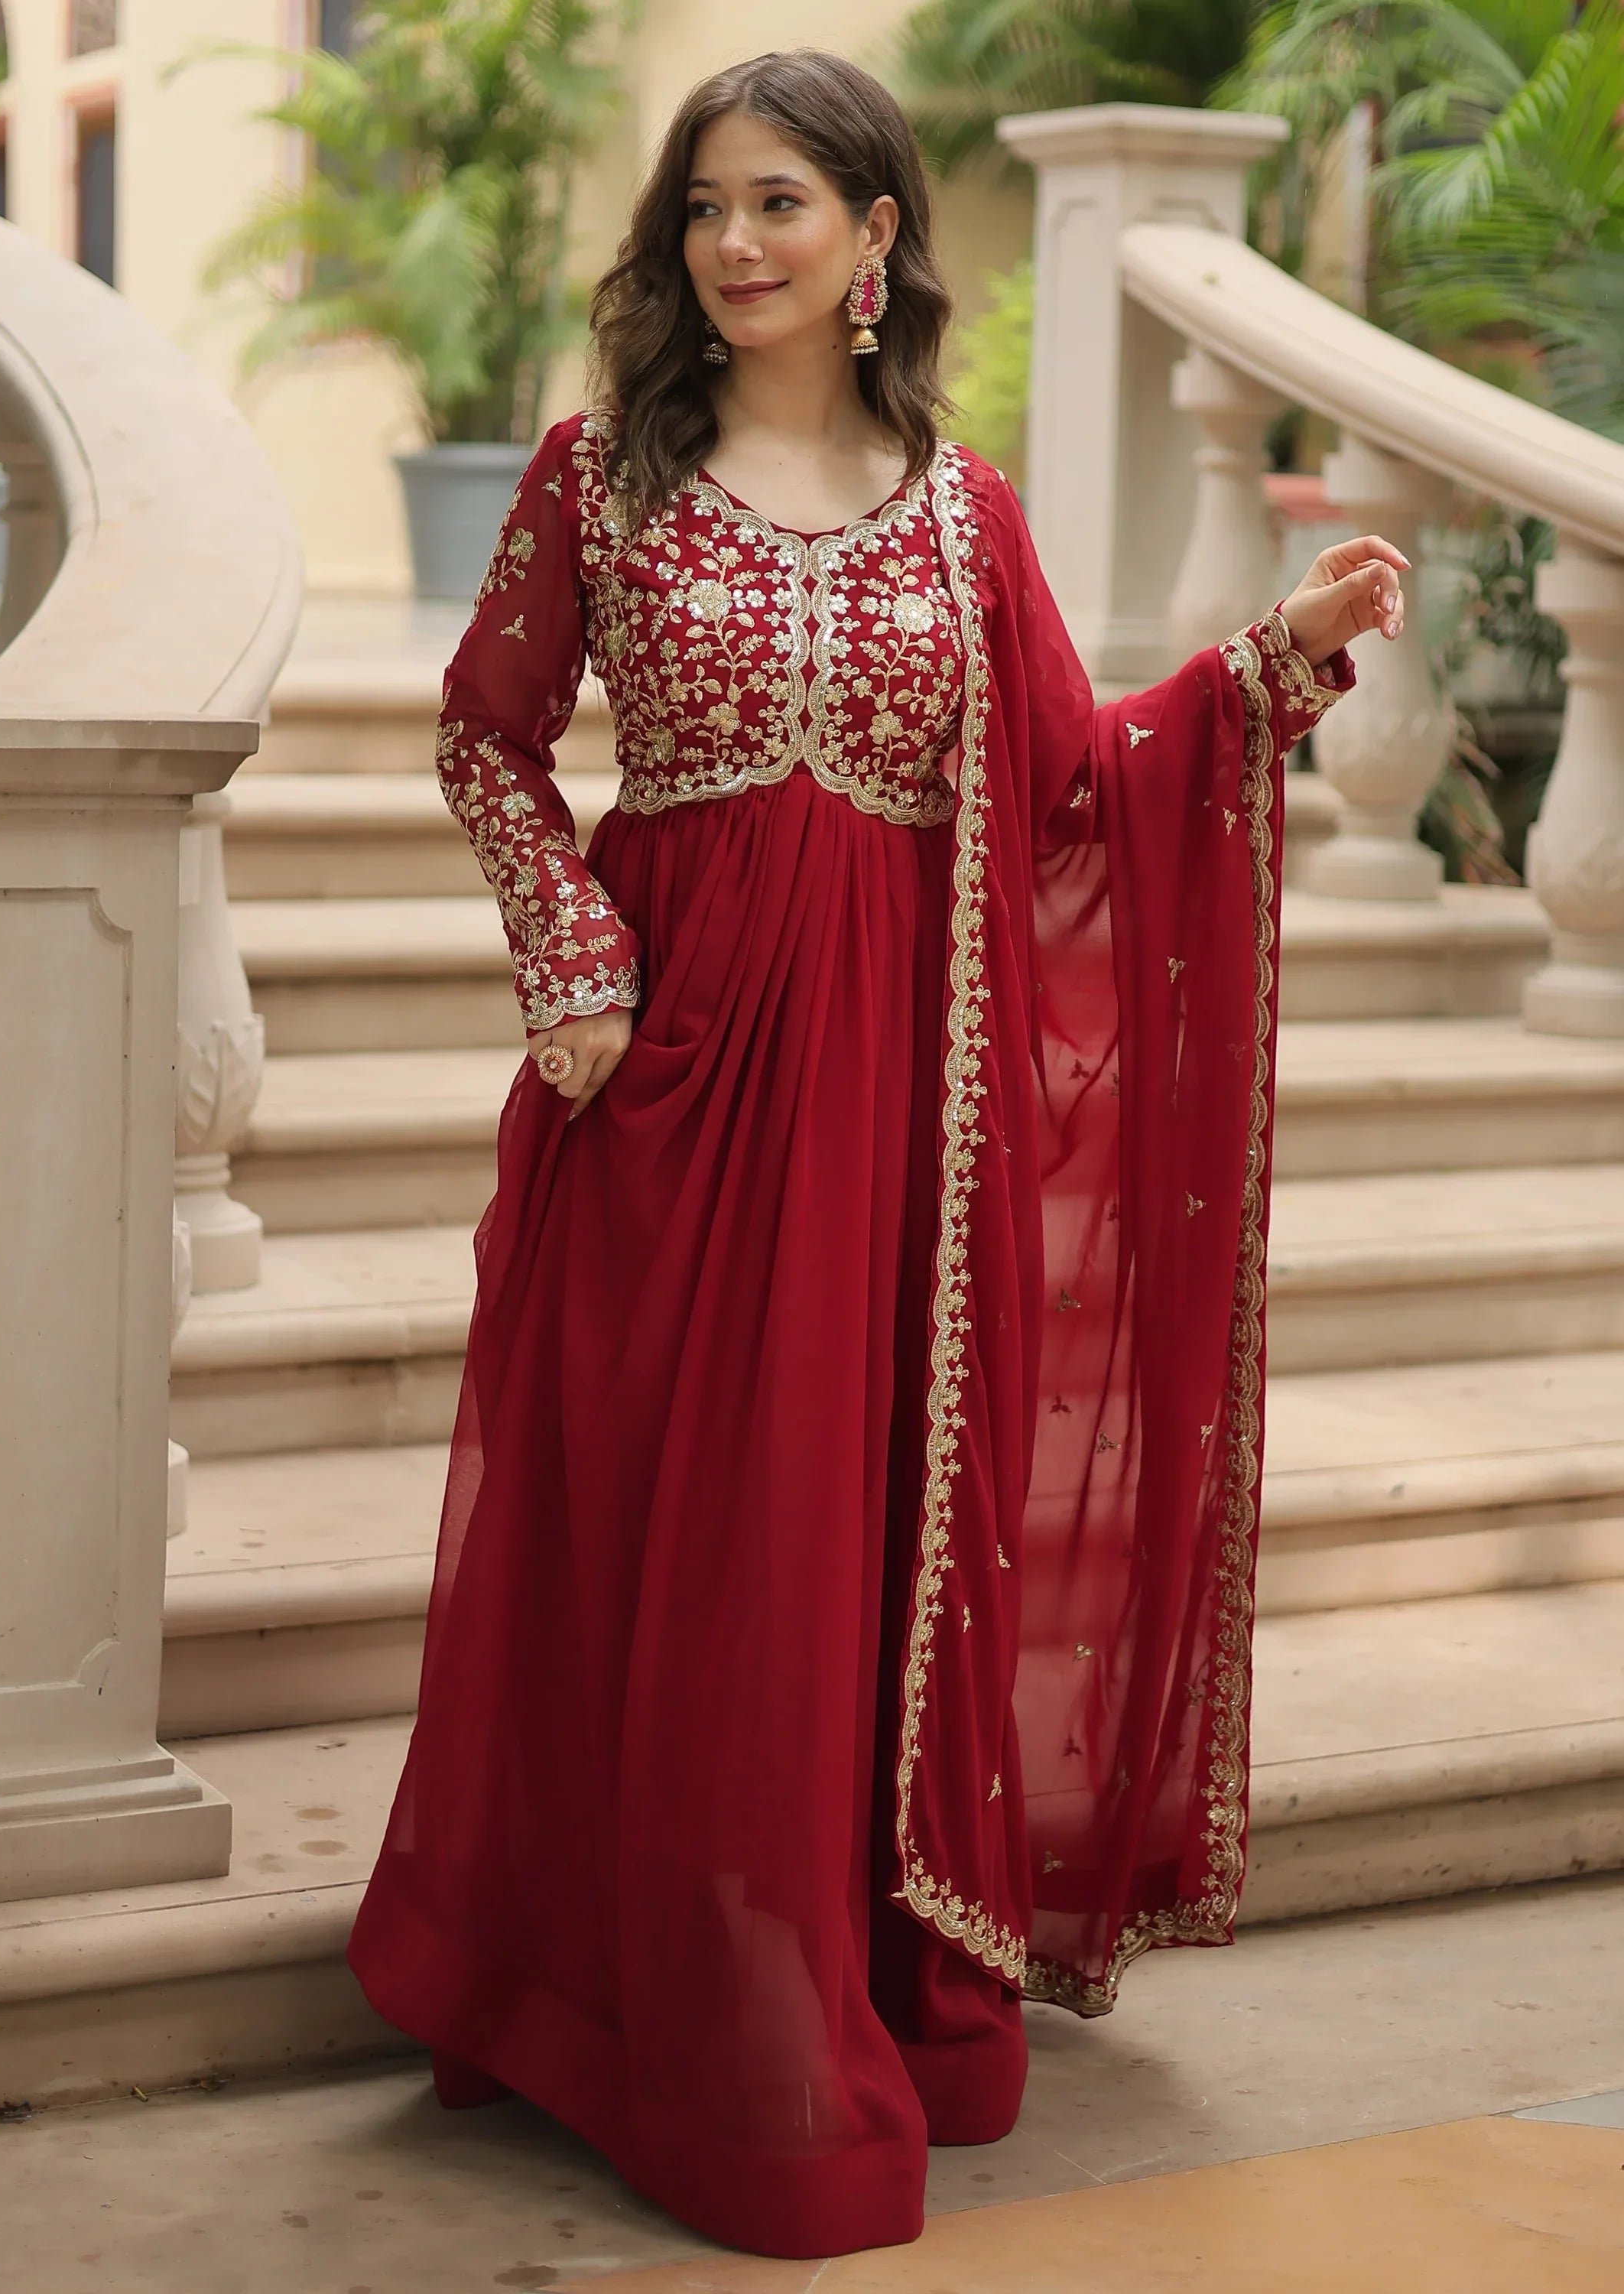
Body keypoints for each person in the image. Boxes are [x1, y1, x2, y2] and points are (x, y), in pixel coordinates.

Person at [347, 47, 1405, 2262]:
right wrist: (574, 964)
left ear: (874, 237)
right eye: (704, 206)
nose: (734, 243)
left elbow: (1071, 786)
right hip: (674, 1086)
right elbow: (487, 734)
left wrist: (1266, 667)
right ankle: (658, 2014)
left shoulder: (960, 511)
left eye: (780, 203)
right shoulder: (601, 478)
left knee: (851, 1550)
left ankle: (845, 1970)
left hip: (909, 1114)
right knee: (691, 1548)